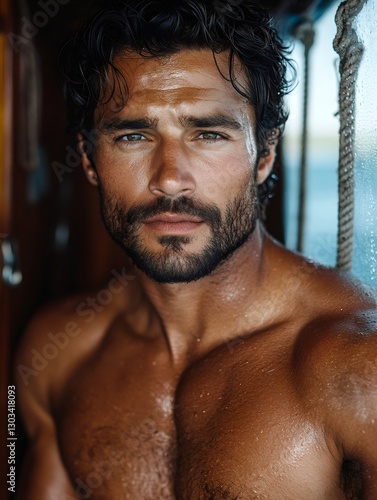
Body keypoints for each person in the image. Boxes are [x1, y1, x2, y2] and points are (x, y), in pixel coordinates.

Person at [15, 0, 377, 498]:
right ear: (89, 159)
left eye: (208, 134)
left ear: (264, 154)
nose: (169, 179)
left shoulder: (358, 366)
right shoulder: (56, 354)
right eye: (134, 135)